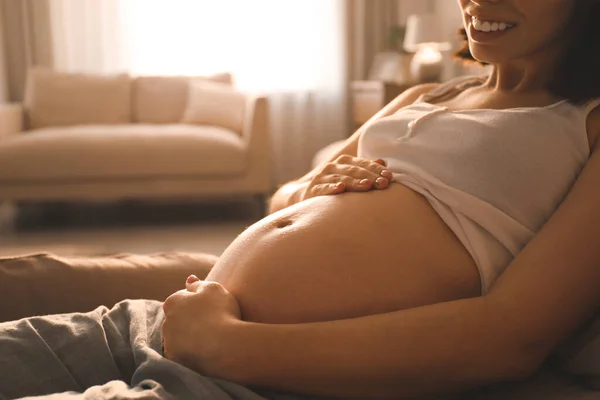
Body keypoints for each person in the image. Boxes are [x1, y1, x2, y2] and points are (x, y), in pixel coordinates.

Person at [1, 0, 600, 399]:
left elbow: (513, 336)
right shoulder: (429, 93)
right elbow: (288, 196)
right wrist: (312, 186)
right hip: (157, 319)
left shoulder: (586, 123)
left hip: (250, 377)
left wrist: (229, 347)